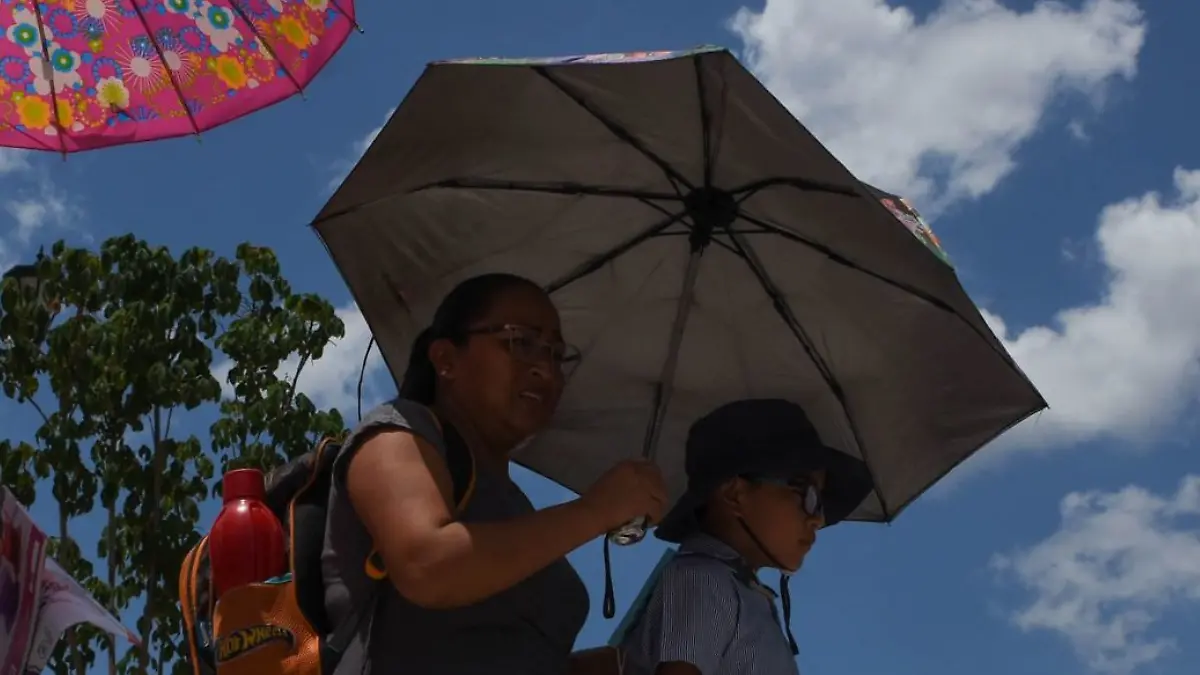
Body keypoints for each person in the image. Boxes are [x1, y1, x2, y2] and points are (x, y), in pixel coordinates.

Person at [321, 272, 667, 675]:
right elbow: (427, 565)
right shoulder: (395, 433)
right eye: (521, 342)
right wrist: (595, 511)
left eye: (557, 354)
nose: (546, 369)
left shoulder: (513, 506)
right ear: (446, 359)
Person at [619, 399, 874, 675]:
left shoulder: (737, 589)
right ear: (735, 494)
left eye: (820, 503)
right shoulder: (703, 579)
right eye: (806, 494)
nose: (817, 519)